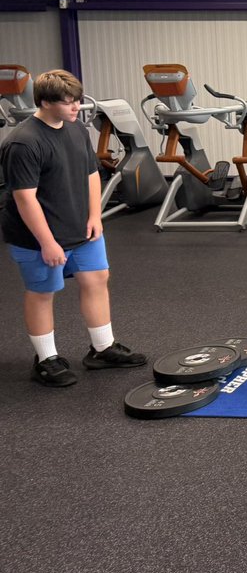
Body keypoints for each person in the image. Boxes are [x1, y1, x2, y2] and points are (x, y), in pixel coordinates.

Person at [0, 70, 146, 387]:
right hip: (37, 235)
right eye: (68, 102)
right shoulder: (23, 143)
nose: (76, 107)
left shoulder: (76, 128)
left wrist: (95, 216)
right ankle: (46, 359)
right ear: (45, 102)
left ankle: (102, 349)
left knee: (97, 278)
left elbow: (91, 174)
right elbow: (25, 199)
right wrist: (48, 243)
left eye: (78, 100)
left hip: (81, 228)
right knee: (42, 292)